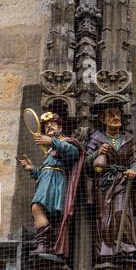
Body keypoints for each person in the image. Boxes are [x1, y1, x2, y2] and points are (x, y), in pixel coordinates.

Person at [18, 110, 83, 258]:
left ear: (60, 127)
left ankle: (45, 244)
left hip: (57, 182)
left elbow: (74, 153)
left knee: (37, 207)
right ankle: (46, 245)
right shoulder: (50, 151)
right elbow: (44, 172)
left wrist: (51, 141)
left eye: (52, 124)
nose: (49, 127)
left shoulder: (66, 142)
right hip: (47, 181)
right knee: (42, 212)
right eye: (46, 126)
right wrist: (32, 169)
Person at [87, 105, 136, 261]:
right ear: (103, 119)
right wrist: (97, 153)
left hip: (122, 181)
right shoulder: (96, 139)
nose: (116, 118)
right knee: (104, 216)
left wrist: (134, 170)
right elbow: (85, 163)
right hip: (104, 184)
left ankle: (126, 246)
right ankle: (106, 249)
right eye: (111, 115)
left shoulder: (128, 139)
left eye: (118, 114)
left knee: (121, 211)